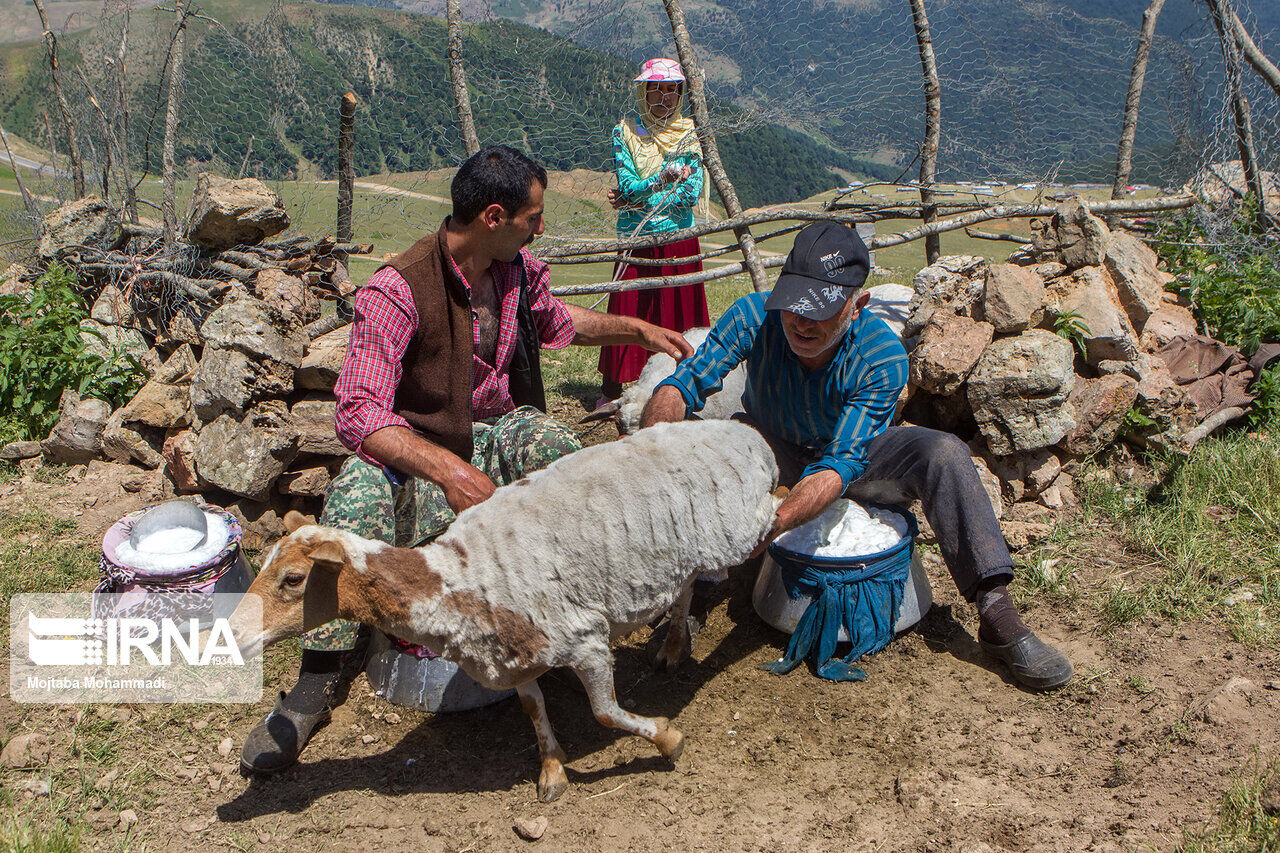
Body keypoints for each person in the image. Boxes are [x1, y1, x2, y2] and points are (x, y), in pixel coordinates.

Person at [240, 145, 694, 775]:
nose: (540, 228)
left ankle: (580, 620)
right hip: (423, 455)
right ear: (494, 216)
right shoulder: (396, 290)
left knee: (559, 452)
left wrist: (639, 332)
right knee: (354, 499)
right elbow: (359, 412)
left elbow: (562, 322)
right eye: (533, 217)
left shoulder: (515, 270)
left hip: (495, 434)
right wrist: (449, 471)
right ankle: (314, 684)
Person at [640, 221, 1073, 692]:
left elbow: (839, 463)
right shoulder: (754, 317)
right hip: (771, 447)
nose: (801, 322)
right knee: (708, 442)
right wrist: (652, 448)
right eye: (793, 306)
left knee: (943, 453)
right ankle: (699, 589)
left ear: (856, 304)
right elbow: (685, 381)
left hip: (859, 460)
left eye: (819, 311)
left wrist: (772, 523)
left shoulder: (881, 356)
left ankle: (997, 613)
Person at [597, 57, 711, 408]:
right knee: (630, 307)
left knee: (675, 308)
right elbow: (627, 186)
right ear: (643, 91)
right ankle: (614, 389)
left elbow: (690, 193)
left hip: (677, 237)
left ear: (680, 94)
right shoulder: (625, 133)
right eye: (656, 89)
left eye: (672, 90)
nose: (664, 97)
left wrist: (638, 195)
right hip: (637, 238)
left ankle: (679, 382)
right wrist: (661, 180)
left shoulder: (691, 133)